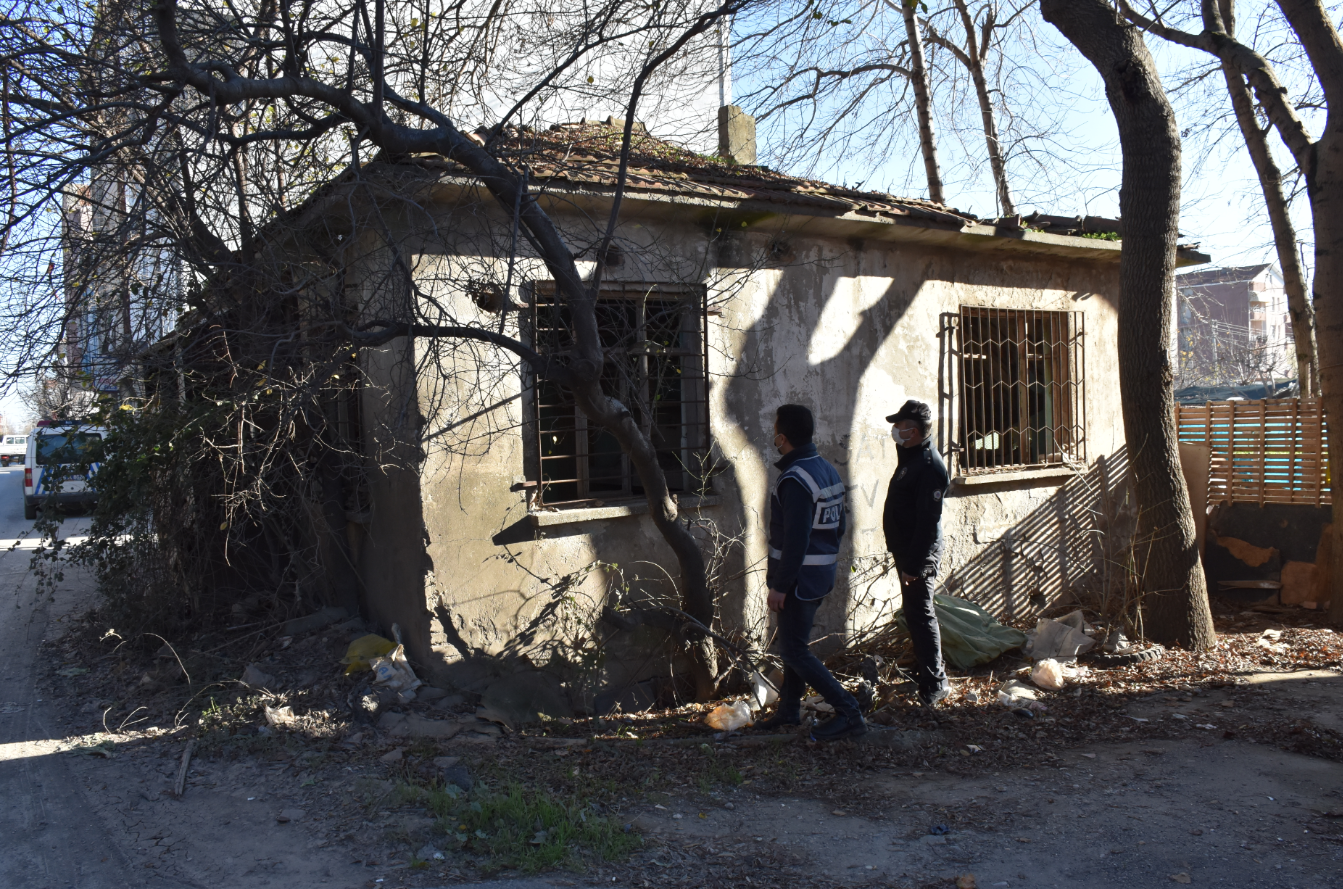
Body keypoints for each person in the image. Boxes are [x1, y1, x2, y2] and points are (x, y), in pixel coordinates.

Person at [757, 404, 866, 741]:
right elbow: (840, 526)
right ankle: (789, 711)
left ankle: (848, 711)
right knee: (794, 646)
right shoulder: (825, 469)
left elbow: (795, 540)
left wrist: (780, 585)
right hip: (818, 576)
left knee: (793, 651)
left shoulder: (795, 479)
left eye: (775, 430)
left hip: (798, 581)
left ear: (782, 437)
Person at [882, 399, 951, 707]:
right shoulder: (911, 457)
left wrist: (913, 563)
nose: (895, 431)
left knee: (921, 613)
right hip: (908, 551)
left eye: (900, 426)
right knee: (914, 613)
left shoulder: (928, 466)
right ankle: (926, 672)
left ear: (914, 431)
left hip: (920, 557)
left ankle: (935, 683)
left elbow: (927, 521)